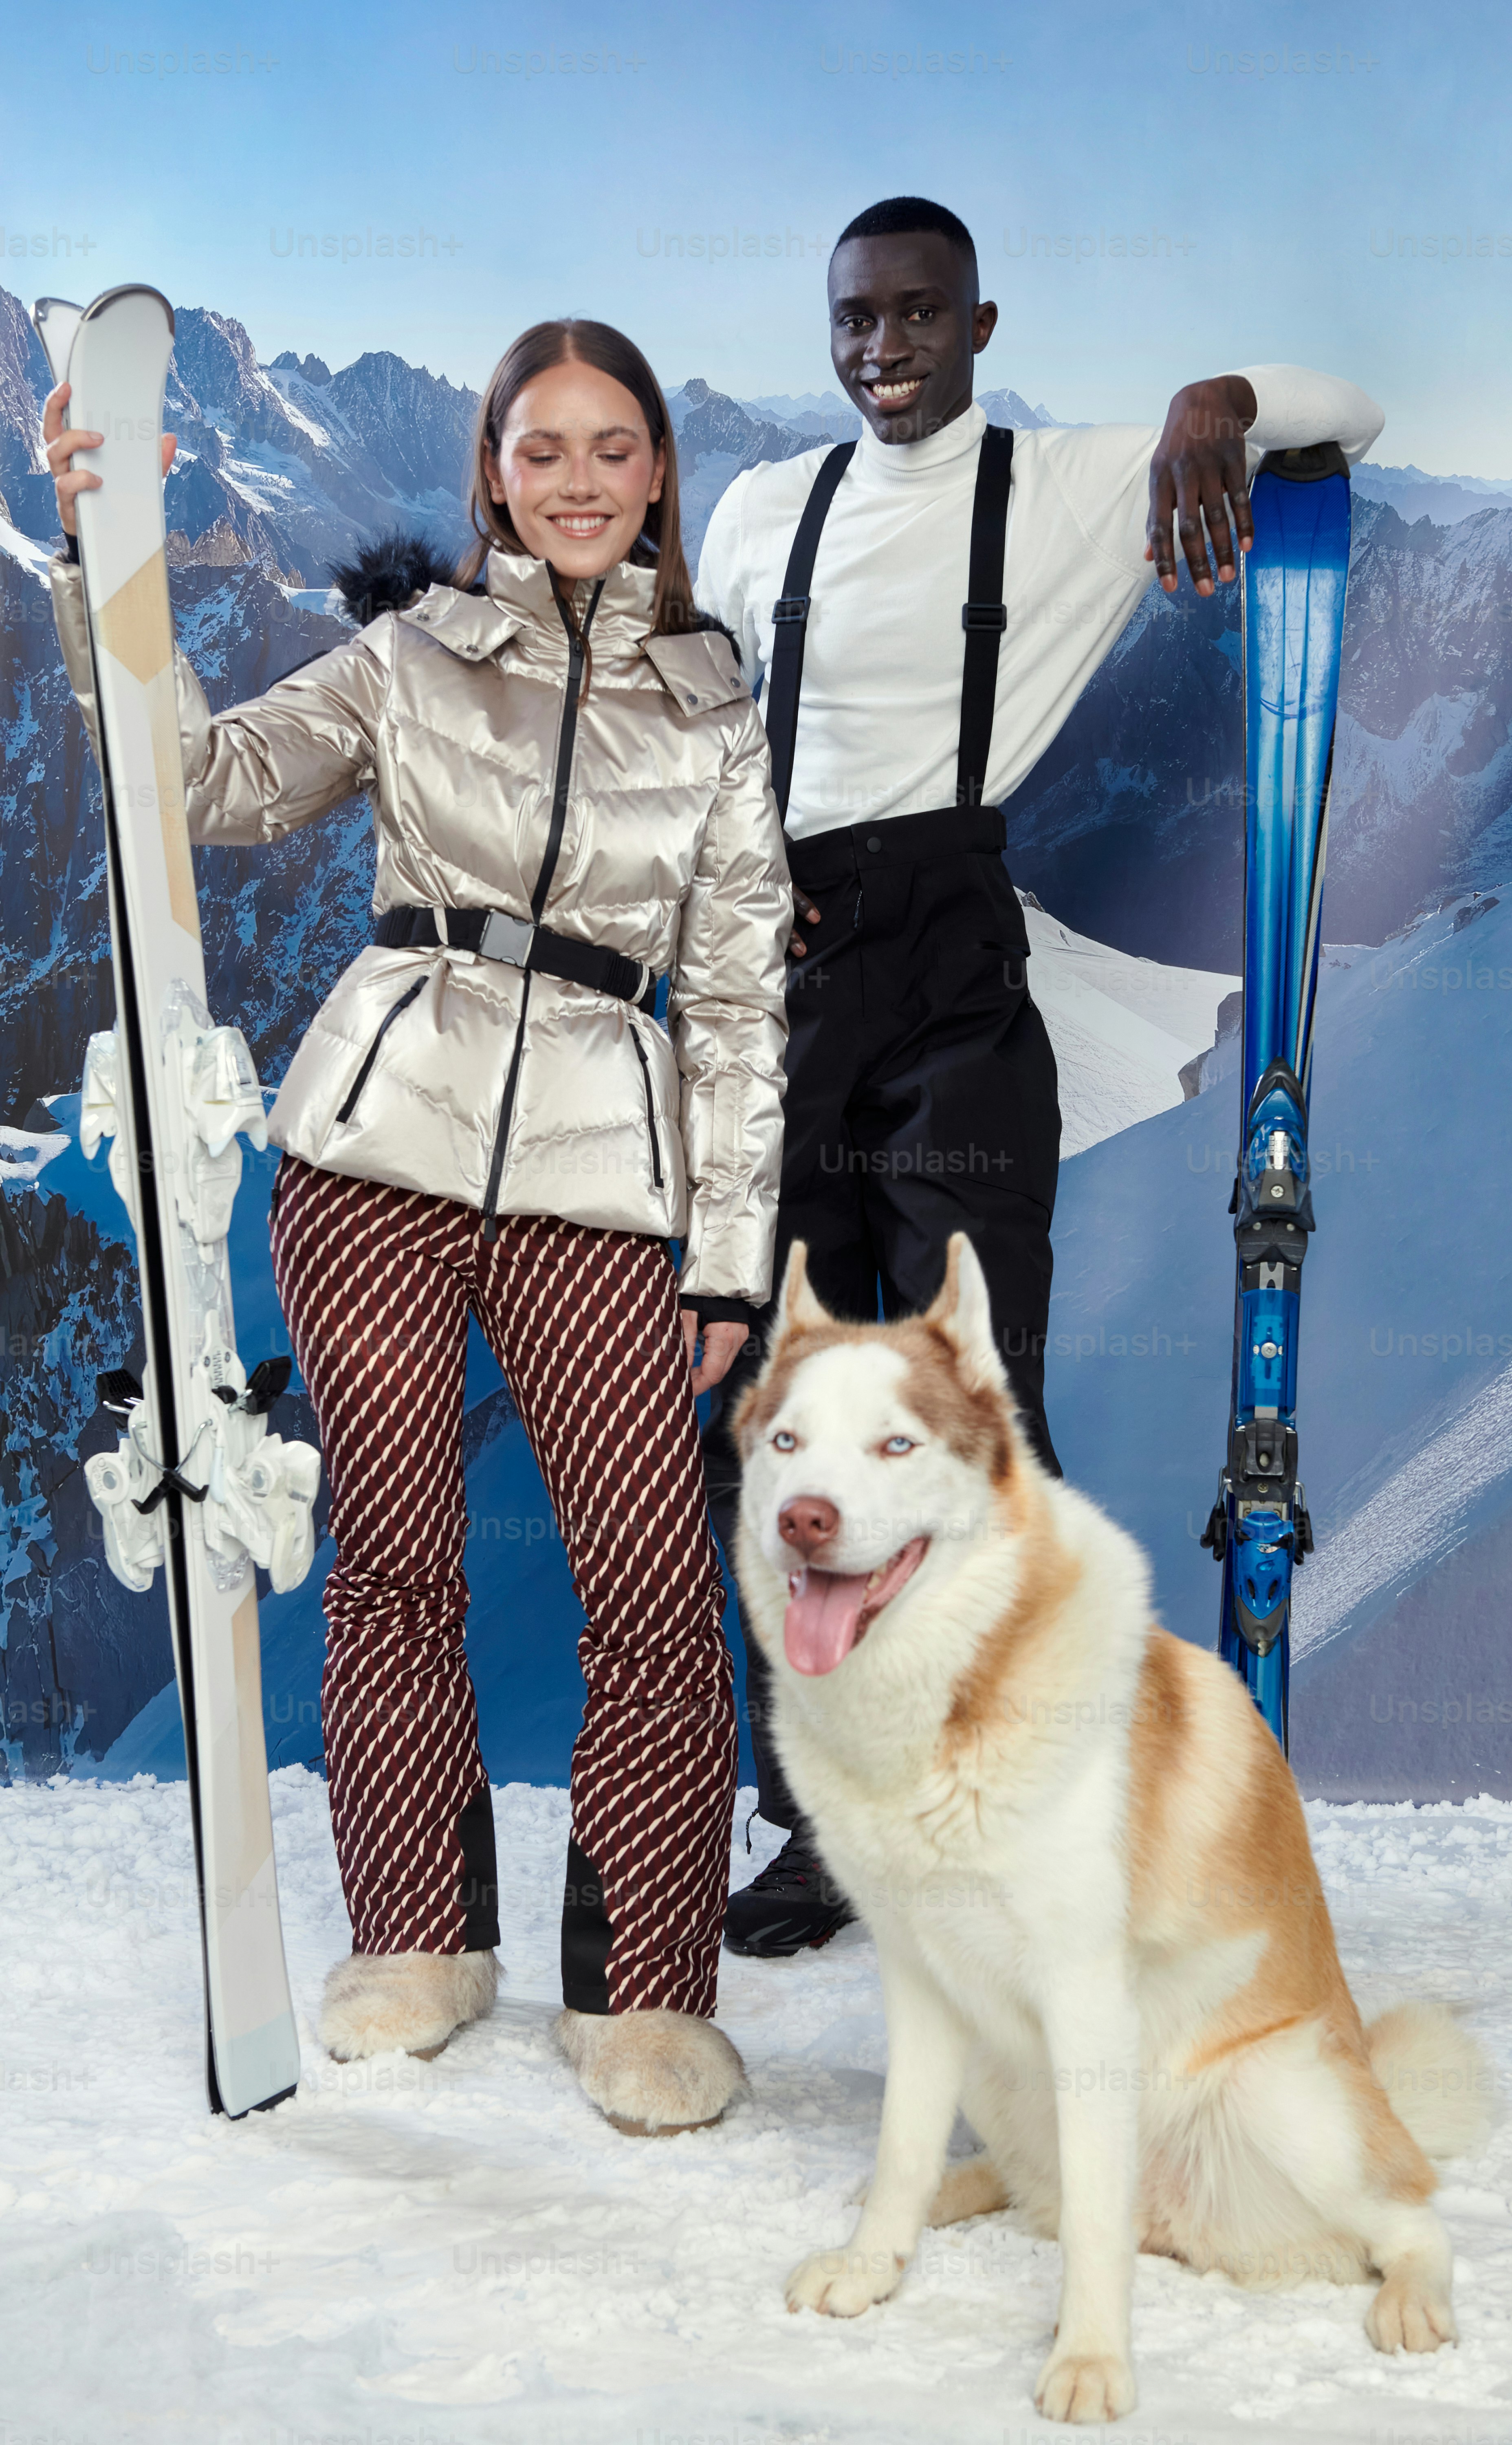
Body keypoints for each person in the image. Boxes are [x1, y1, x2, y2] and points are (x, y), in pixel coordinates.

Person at [46, 318, 792, 2132]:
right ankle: (416, 1944)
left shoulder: (710, 714)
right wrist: (105, 576)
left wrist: (726, 1249)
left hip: (606, 1173)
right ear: (491, 473)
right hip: (375, 1142)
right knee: (388, 1564)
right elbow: (205, 791)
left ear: (660, 474)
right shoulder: (405, 661)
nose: (581, 482)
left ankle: (644, 2000)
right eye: (544, 451)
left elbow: (749, 1001)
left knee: (653, 1603)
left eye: (616, 448)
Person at [696, 195, 1384, 1957]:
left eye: (919, 316)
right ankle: (829, 1822)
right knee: (781, 1426)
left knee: (970, 1403)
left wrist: (1211, 403)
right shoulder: (765, 507)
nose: (884, 350)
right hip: (774, 972)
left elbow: (1345, 410)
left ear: (980, 327)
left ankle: (1040, 1811)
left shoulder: (1066, 484)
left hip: (950, 982)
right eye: (855, 318)